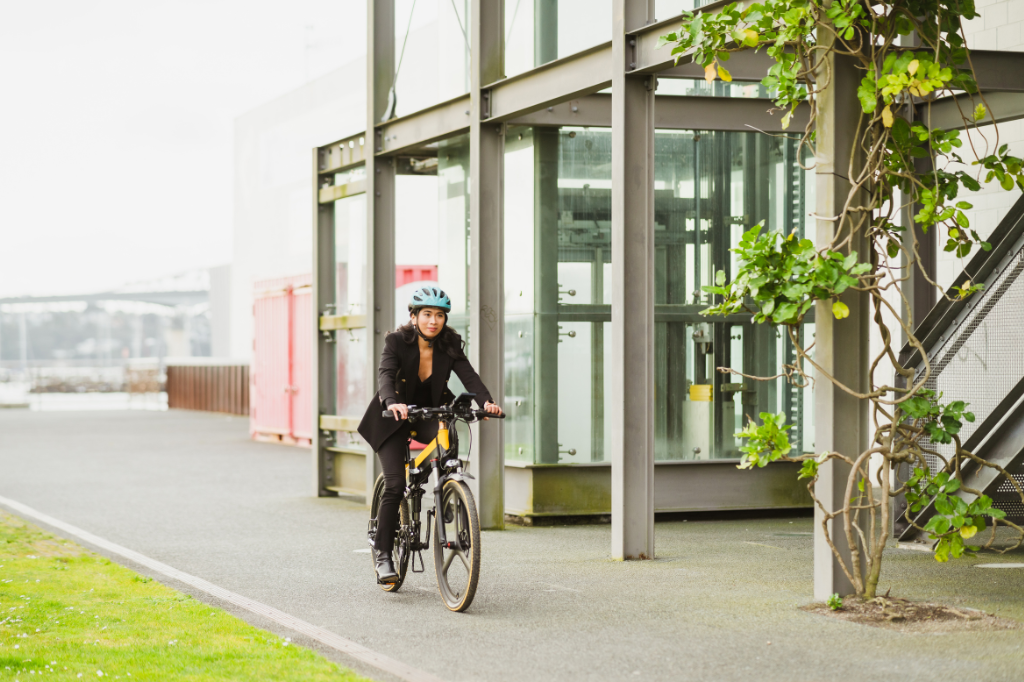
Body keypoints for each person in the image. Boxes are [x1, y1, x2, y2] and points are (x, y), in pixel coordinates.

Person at [357, 286, 503, 583]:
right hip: (393, 418)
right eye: (427, 314)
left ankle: (447, 492)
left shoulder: (450, 343)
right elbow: (385, 374)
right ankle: (384, 553)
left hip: (428, 413)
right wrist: (391, 402)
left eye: (439, 315)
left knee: (449, 428)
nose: (433, 321)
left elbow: (469, 376)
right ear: (414, 317)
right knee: (396, 485)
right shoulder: (396, 341)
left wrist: (485, 402)